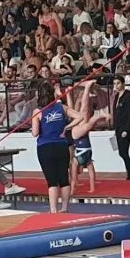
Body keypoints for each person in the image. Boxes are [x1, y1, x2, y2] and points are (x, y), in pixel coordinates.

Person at [32, 81, 81, 214]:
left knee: (52, 180)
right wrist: (66, 127)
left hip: (45, 147)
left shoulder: (38, 111)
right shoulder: (62, 107)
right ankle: (64, 208)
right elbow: (80, 116)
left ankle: (53, 210)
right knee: (63, 178)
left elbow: (35, 133)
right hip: (61, 145)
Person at [111, 75, 130, 180]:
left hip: (126, 128)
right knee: (123, 152)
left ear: (123, 84)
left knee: (123, 152)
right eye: (114, 84)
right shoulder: (117, 97)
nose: (116, 86)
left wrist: (126, 129)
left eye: (118, 83)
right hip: (118, 127)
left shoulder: (128, 96)